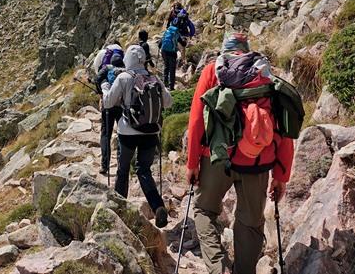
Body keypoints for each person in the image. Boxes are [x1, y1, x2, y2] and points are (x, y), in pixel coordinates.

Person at [185, 32, 295, 274]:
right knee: (250, 224)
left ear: (224, 49)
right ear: (248, 50)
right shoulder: (265, 74)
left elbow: (196, 122)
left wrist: (192, 162)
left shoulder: (213, 71)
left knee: (204, 211)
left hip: (216, 158)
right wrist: (281, 175)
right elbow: (284, 129)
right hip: (258, 160)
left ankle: (219, 269)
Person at [102, 45, 173, 228]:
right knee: (143, 170)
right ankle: (158, 207)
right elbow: (168, 102)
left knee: (123, 170)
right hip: (151, 132)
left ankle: (119, 211)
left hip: (128, 132)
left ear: (128, 59)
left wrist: (105, 87)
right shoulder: (154, 78)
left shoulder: (124, 77)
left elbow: (108, 103)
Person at [95, 53, 125, 176]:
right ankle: (121, 163)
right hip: (122, 106)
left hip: (108, 106)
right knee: (121, 133)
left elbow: (97, 79)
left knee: (106, 134)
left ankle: (104, 165)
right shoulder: (125, 71)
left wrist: (100, 93)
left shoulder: (107, 68)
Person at [159, 25, 180, 90]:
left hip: (164, 51)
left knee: (166, 67)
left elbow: (160, 43)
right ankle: (171, 87)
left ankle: (165, 84)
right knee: (172, 70)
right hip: (172, 53)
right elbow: (183, 43)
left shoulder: (166, 32)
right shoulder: (176, 34)